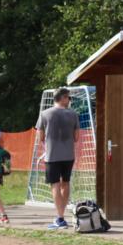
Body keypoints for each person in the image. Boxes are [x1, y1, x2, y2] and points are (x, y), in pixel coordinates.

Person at [36, 87, 80, 229]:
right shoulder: (73, 114)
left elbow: (40, 137)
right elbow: (76, 137)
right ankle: (61, 216)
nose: (69, 100)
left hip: (52, 155)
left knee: (55, 185)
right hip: (68, 155)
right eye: (68, 97)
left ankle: (60, 218)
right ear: (62, 98)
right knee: (65, 183)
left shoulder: (45, 114)